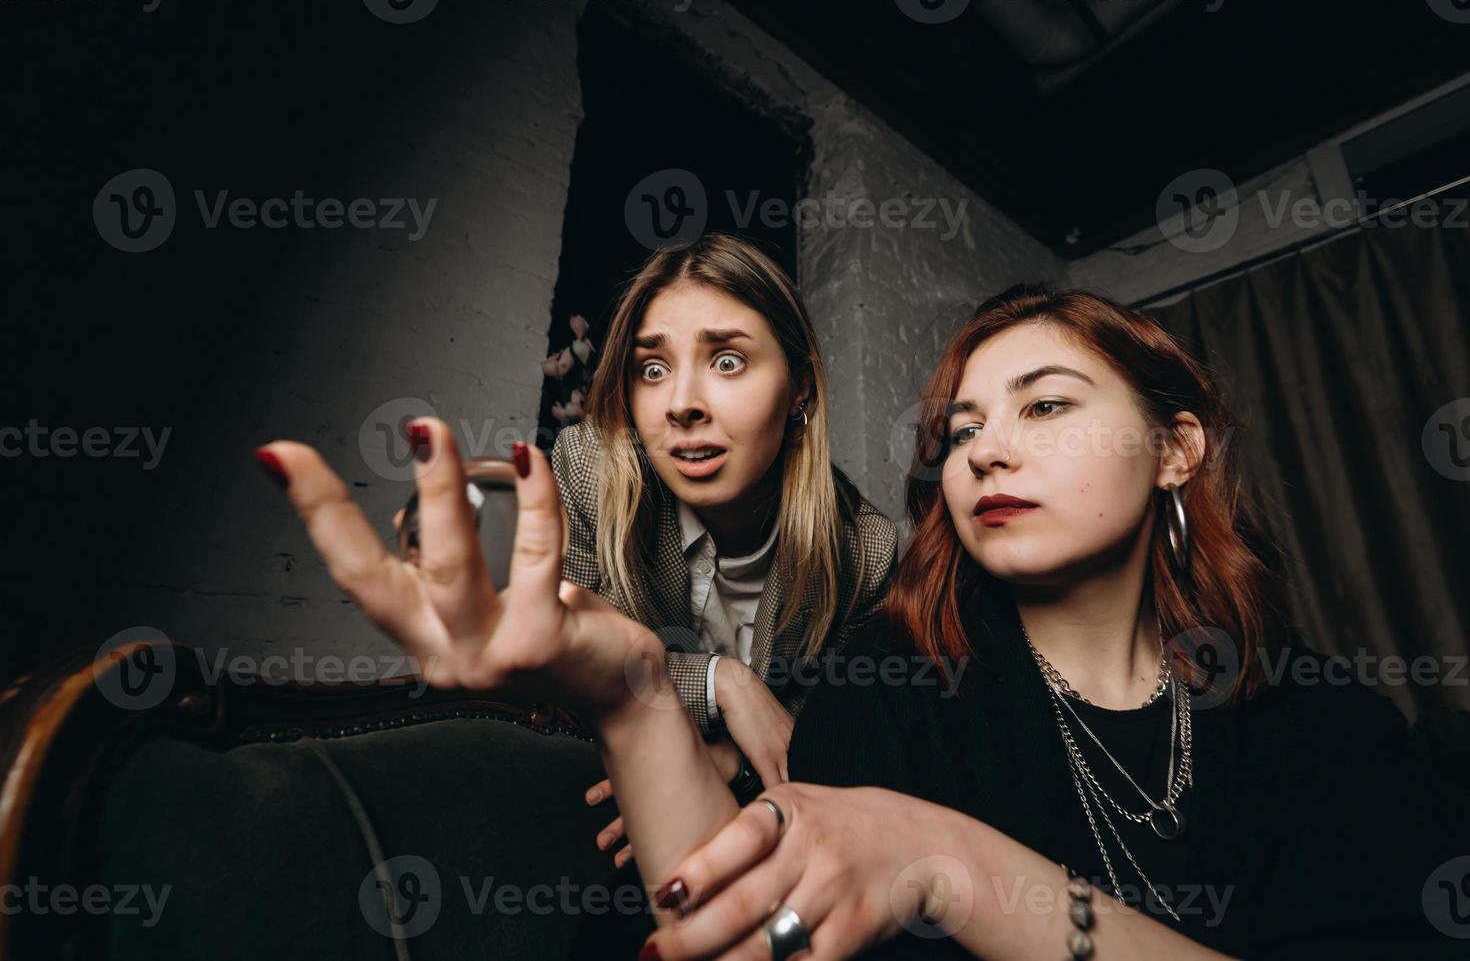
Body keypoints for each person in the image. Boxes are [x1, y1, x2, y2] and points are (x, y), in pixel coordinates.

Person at [253, 283, 1460, 959]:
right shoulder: (895, 671)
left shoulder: (1318, 721)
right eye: (965, 426)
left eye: (1044, 404)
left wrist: (953, 867)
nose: (987, 446)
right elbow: (751, 923)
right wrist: (629, 692)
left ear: (1175, 447)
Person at [550, 234, 896, 865]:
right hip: (596, 810)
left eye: (728, 361)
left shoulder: (862, 550)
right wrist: (721, 683)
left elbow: (832, 742)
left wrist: (726, 765)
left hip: (777, 837)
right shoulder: (587, 471)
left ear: (800, 389)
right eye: (652, 370)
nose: (681, 404)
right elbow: (563, 664)